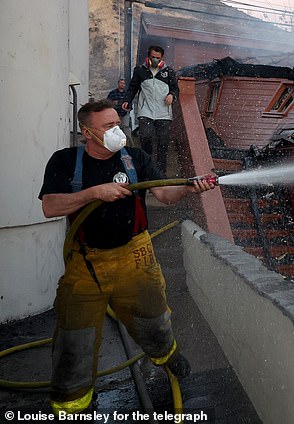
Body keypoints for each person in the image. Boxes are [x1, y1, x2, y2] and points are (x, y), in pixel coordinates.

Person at [38, 99, 214, 416]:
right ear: (86, 131)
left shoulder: (135, 158)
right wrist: (94, 193)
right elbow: (50, 207)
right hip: (87, 265)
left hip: (137, 257)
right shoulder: (64, 161)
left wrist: (190, 187)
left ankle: (165, 354)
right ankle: (71, 406)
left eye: (118, 123)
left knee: (154, 318)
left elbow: (164, 194)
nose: (117, 130)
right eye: (108, 126)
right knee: (74, 340)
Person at [122, 45, 178, 175]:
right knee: (145, 137)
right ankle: (146, 169)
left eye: (158, 58)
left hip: (164, 113)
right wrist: (126, 100)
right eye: (153, 57)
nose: (155, 60)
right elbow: (133, 88)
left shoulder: (169, 72)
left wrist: (172, 95)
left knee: (163, 142)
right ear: (148, 56)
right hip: (145, 111)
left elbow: (175, 89)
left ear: (162, 58)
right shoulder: (140, 71)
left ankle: (160, 173)